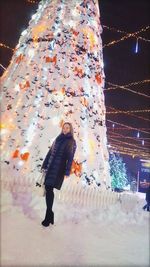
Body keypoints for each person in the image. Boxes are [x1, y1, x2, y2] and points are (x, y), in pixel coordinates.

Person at [41, 122, 77, 227]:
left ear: (70, 130)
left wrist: (67, 171)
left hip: (58, 169)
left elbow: (70, 158)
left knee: (49, 188)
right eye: (64, 128)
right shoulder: (58, 138)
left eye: (67, 128)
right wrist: (45, 164)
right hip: (50, 166)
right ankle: (50, 214)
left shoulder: (71, 141)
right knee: (48, 189)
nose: (65, 129)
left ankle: (48, 216)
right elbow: (50, 152)